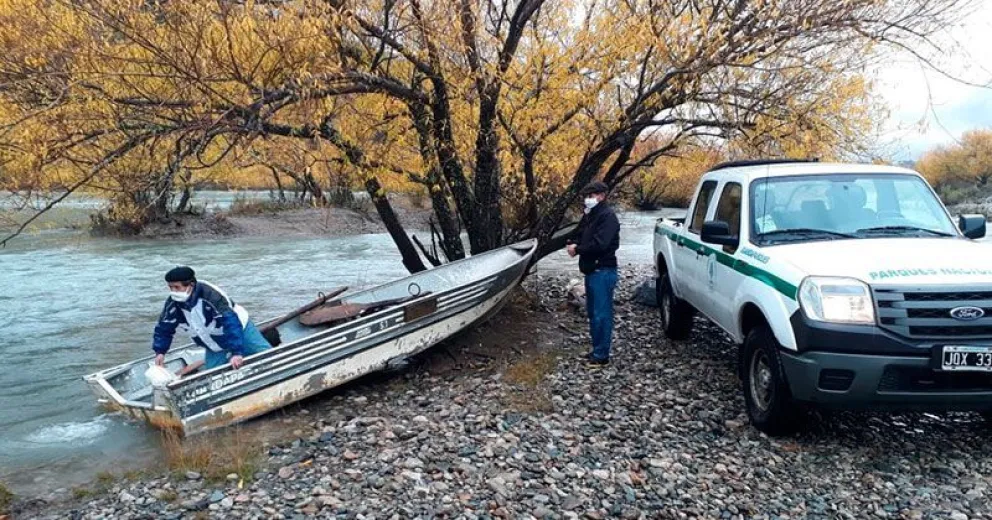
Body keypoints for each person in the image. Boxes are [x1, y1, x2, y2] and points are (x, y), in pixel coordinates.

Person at [153, 266, 271, 371]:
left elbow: (230, 322)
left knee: (267, 355)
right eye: (170, 287)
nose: (173, 291)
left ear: (191, 285)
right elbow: (164, 327)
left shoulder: (211, 296)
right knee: (212, 374)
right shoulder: (173, 303)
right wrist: (160, 352)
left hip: (239, 329)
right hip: (212, 340)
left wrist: (236, 352)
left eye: (177, 287)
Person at [567, 181, 620, 367]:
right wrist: (571, 242)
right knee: (593, 313)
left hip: (603, 270)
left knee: (601, 315)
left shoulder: (608, 217)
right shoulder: (591, 215)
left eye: (591, 195)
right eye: (586, 196)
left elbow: (601, 244)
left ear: (602, 196)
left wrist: (578, 249)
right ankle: (597, 350)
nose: (588, 199)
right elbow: (580, 232)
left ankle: (601, 355)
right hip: (592, 271)